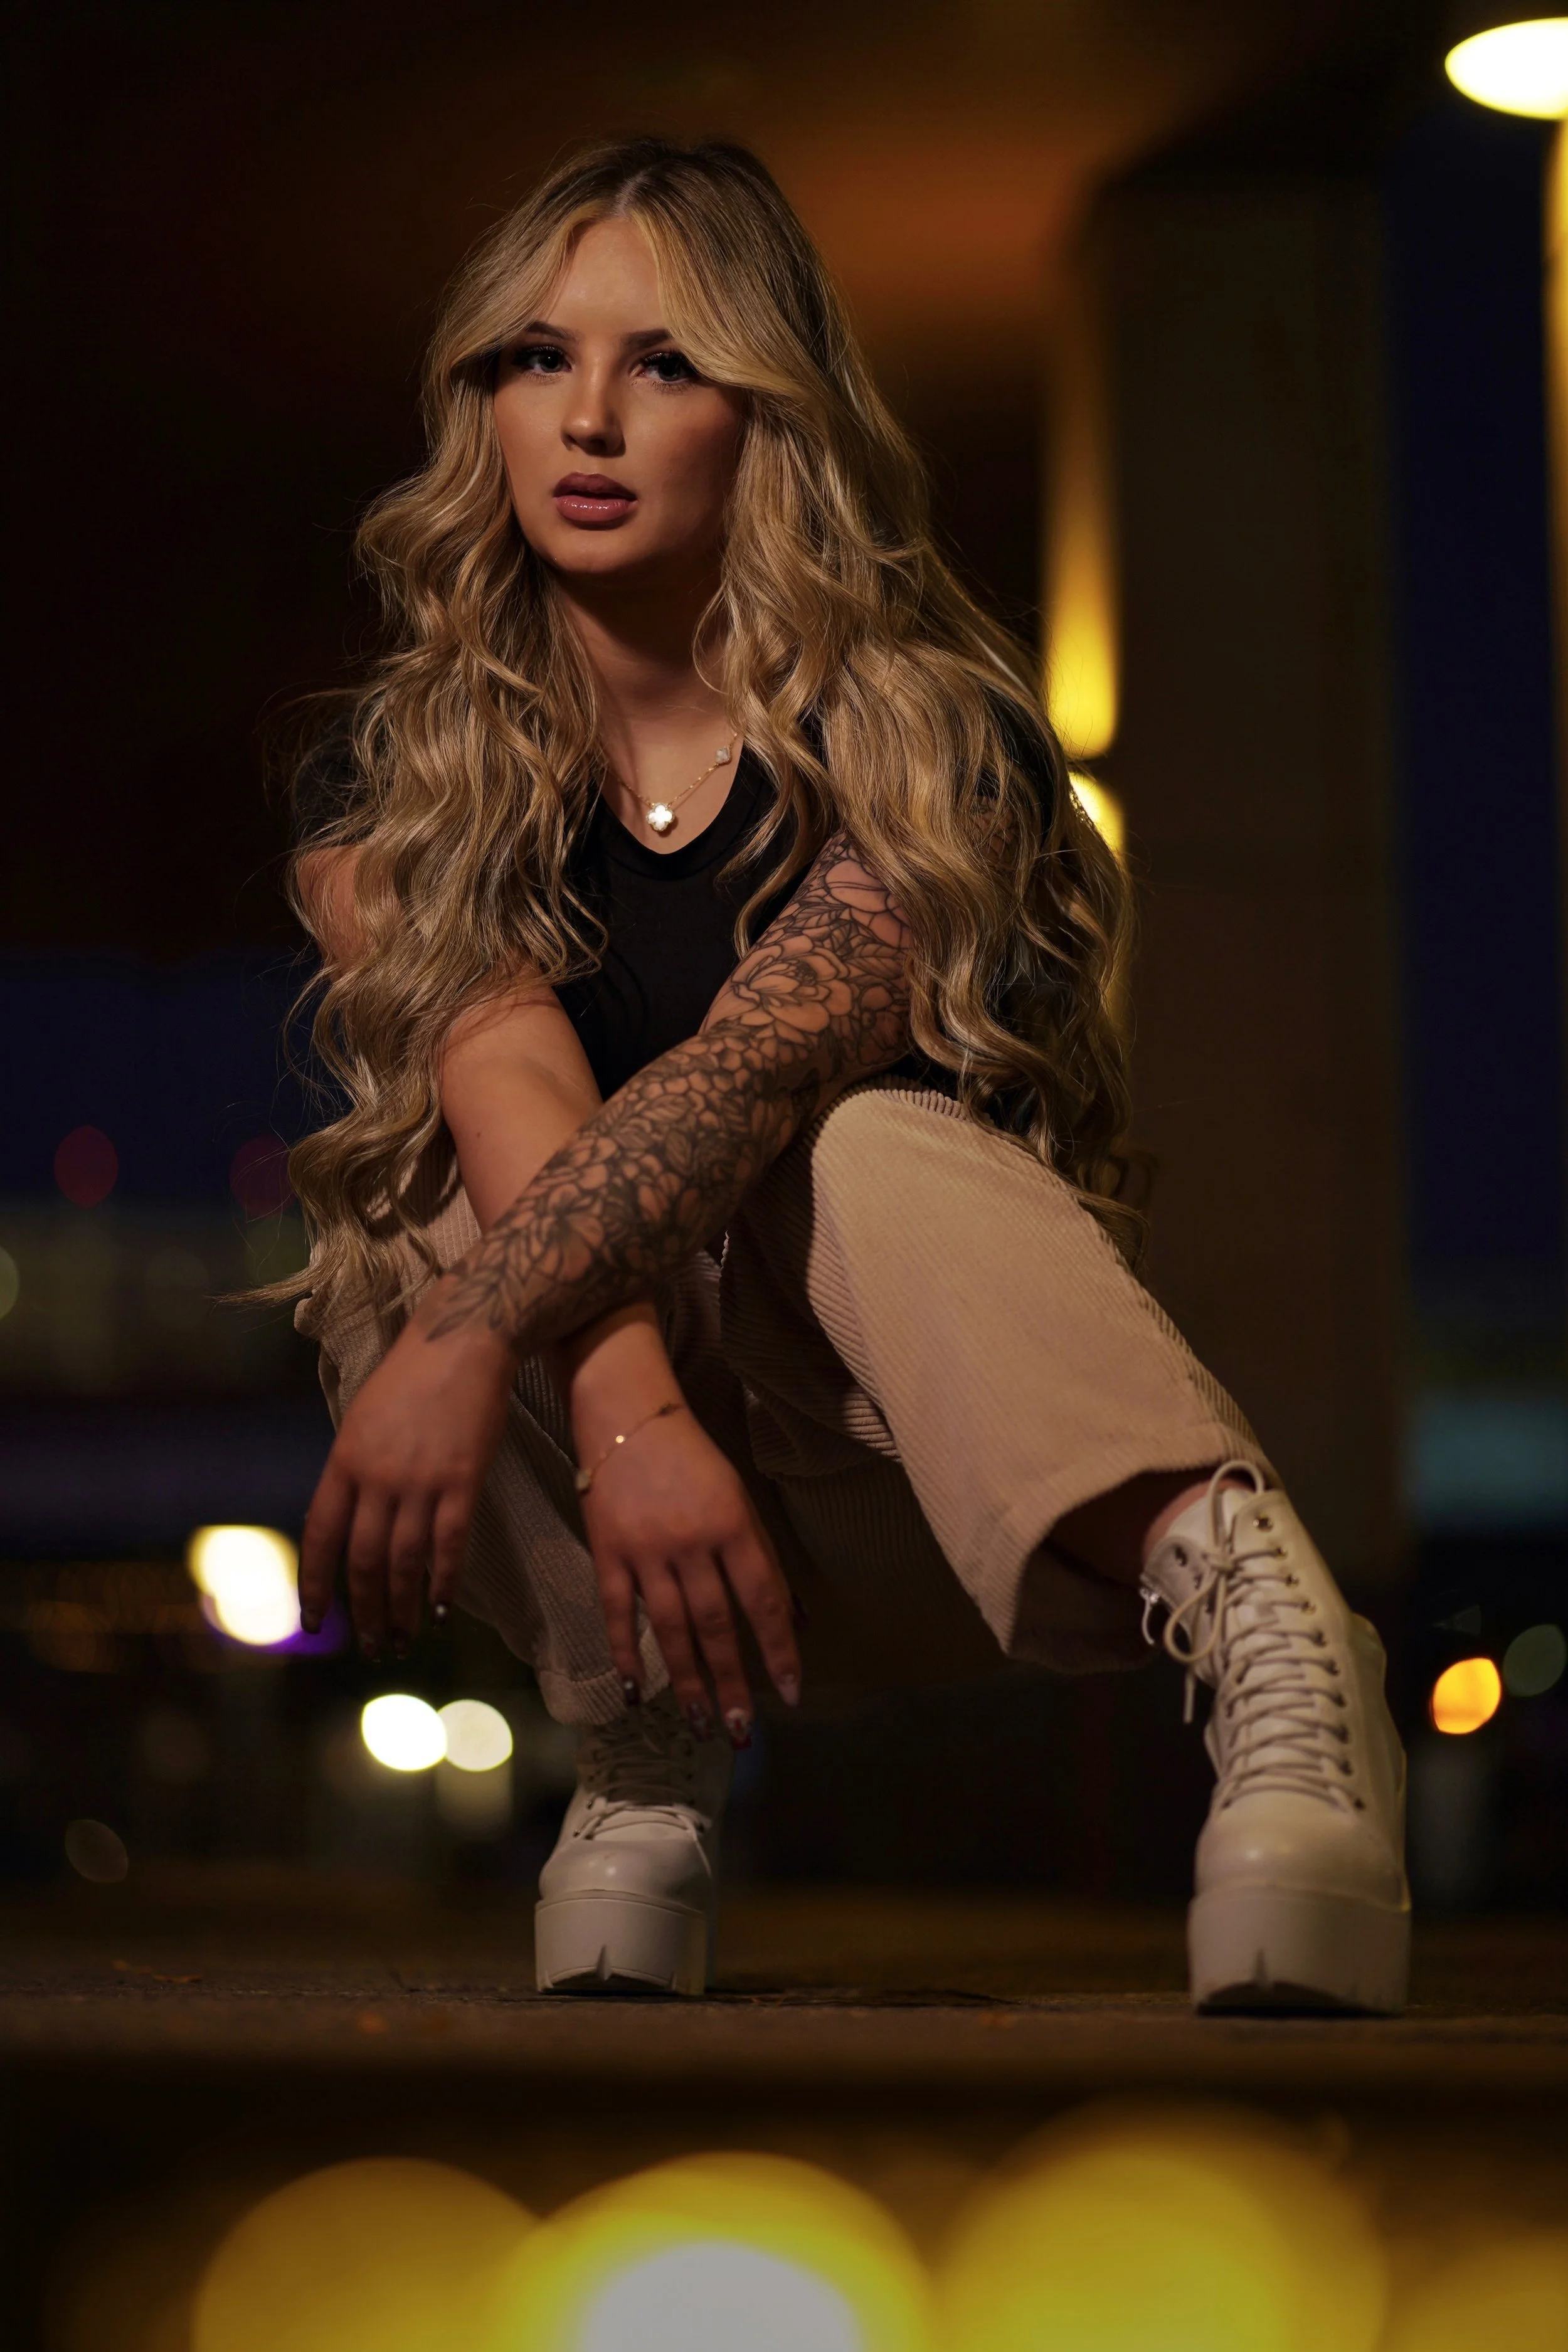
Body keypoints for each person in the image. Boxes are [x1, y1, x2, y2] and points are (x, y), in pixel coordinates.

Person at [282, 137, 1409, 2014]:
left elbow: (736, 1076)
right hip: (675, 1535)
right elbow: (514, 1100)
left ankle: (1273, 1632)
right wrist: (613, 1413)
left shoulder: (926, 737)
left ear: (769, 416)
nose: (587, 415)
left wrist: (472, 1340)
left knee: (853, 1138)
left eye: (665, 363)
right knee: (430, 1211)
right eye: (532, 360)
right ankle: (646, 1733)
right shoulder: (389, 785)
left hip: (952, 1495)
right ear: (477, 402)